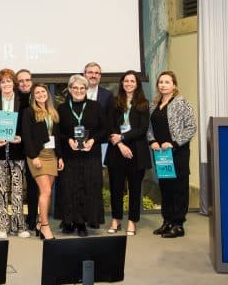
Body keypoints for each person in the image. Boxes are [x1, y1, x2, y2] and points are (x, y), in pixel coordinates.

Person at [57, 74, 108, 237]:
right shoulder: (62, 109)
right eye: (75, 87)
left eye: (82, 88)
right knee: (69, 188)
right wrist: (69, 140)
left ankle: (82, 223)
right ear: (69, 89)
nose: (78, 91)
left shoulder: (95, 106)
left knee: (88, 188)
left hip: (90, 155)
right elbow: (57, 132)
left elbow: (105, 129)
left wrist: (93, 140)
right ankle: (69, 220)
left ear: (86, 89)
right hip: (69, 155)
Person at [148, 71, 196, 238]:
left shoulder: (181, 103)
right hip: (161, 155)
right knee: (165, 188)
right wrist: (152, 141)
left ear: (174, 85)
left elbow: (191, 127)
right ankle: (167, 221)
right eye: (161, 82)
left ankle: (178, 225)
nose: (163, 85)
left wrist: (174, 143)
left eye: (167, 82)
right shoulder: (154, 105)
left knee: (179, 189)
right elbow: (149, 128)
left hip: (177, 152)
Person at [0, 69, 30, 239]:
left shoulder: (23, 100)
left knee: (18, 190)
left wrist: (22, 138)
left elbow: (28, 124)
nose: (6, 84)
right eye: (3, 82)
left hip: (17, 151)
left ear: (14, 83)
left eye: (9, 81)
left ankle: (19, 226)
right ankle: (1, 226)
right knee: (1, 190)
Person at [105, 71, 151, 236]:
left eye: (132, 81)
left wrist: (123, 137)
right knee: (116, 188)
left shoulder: (144, 104)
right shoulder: (114, 102)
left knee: (135, 188)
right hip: (117, 151)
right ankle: (116, 219)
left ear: (137, 84)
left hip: (137, 151)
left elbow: (142, 129)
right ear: (122, 83)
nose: (129, 83)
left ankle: (132, 221)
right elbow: (109, 125)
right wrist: (120, 144)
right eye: (126, 81)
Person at [22, 83, 64, 240]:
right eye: (37, 92)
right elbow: (26, 136)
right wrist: (33, 157)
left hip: (51, 155)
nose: (41, 94)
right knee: (46, 191)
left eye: (43, 91)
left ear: (47, 94)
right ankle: (45, 226)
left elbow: (57, 137)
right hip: (37, 155)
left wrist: (60, 157)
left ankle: (40, 223)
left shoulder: (53, 112)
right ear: (33, 96)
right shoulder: (29, 112)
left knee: (46, 191)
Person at [15, 68, 38, 231]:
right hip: (15, 147)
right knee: (16, 186)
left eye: (27, 80)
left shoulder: (38, 98)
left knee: (33, 185)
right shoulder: (12, 99)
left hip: (33, 149)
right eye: (21, 81)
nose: (24, 83)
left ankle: (32, 218)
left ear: (32, 81)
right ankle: (16, 219)